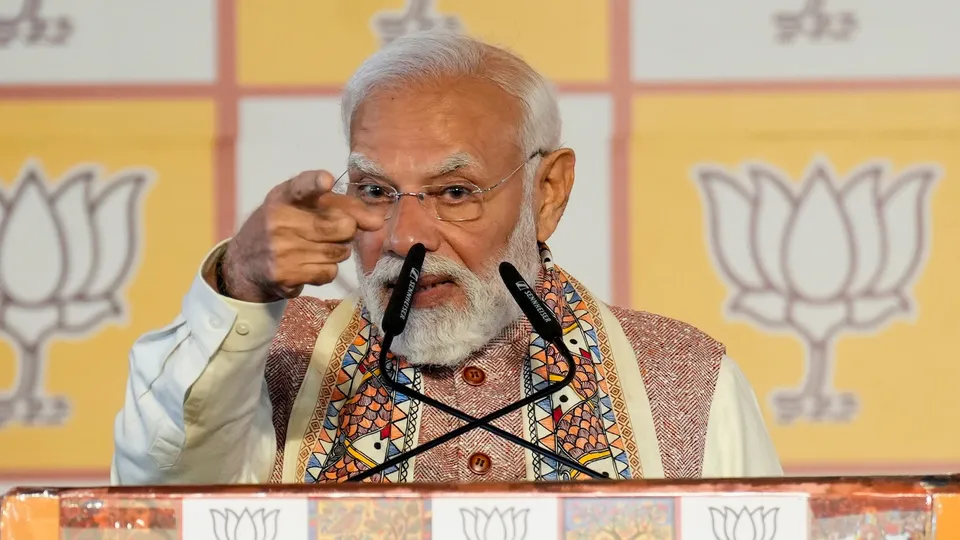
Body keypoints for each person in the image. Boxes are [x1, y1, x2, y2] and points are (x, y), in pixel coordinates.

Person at [110, 31, 782, 485]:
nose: (406, 236)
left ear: (549, 191)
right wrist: (240, 287)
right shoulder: (277, 361)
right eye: (375, 191)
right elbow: (159, 487)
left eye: (455, 192)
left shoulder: (689, 377)